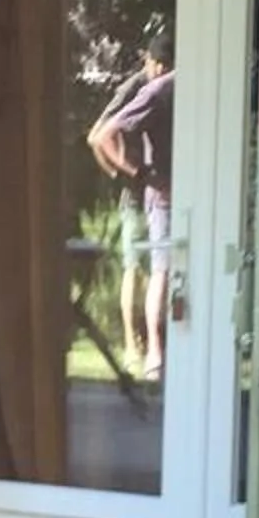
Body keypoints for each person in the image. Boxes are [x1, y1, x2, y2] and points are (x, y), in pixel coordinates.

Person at [87, 32, 175, 380]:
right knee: (136, 268)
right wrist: (126, 171)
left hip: (154, 186)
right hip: (140, 189)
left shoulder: (162, 84)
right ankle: (133, 346)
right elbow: (98, 136)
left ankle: (152, 347)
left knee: (155, 269)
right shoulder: (140, 87)